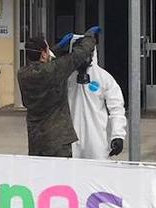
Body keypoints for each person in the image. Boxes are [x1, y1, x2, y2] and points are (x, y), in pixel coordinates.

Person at [16, 27, 99, 157]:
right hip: (57, 139)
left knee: (39, 175)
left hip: (35, 139)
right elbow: (78, 55)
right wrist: (89, 37)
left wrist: (57, 48)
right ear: (44, 53)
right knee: (59, 176)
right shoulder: (53, 71)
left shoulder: (22, 74)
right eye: (47, 50)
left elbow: (46, 63)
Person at [67, 49, 127, 160]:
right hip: (70, 138)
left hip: (96, 139)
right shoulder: (67, 77)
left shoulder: (103, 78)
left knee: (98, 173)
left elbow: (116, 108)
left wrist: (118, 135)